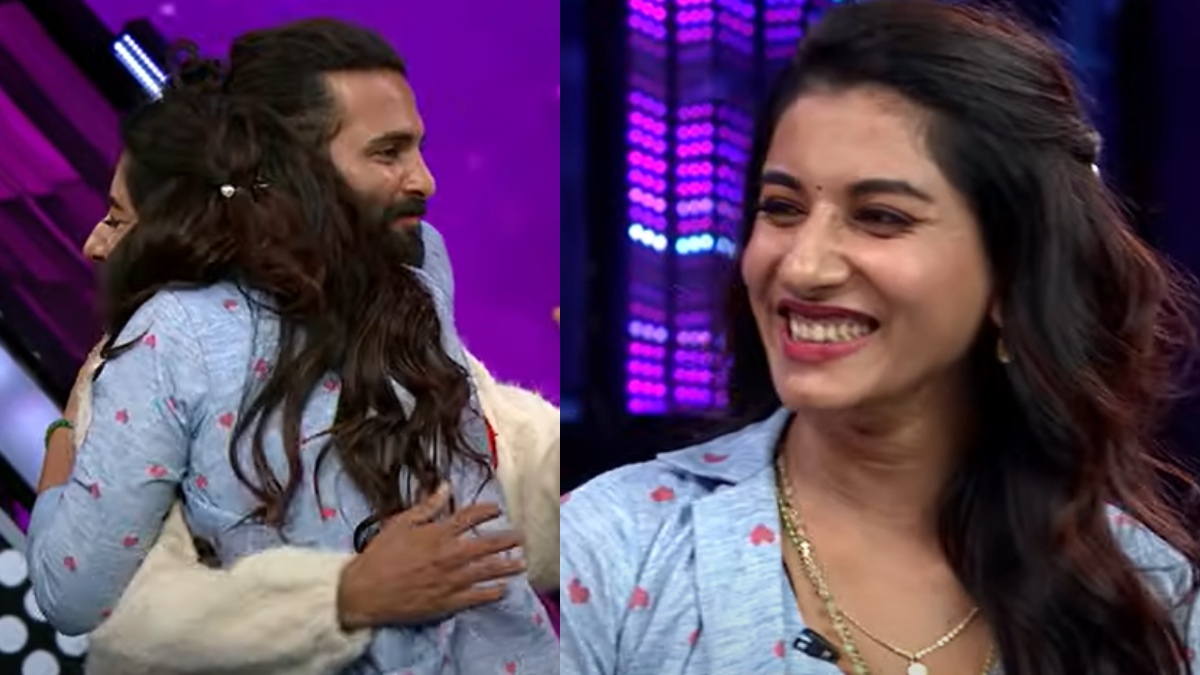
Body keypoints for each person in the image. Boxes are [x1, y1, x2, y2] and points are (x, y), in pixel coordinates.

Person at [560, 2, 1200, 674]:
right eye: (781, 208)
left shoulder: (1146, 597)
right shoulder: (614, 549)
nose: (802, 267)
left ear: (1014, 273)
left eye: (880, 217)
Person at [39, 19, 560, 675]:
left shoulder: (417, 266)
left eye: (416, 148)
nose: (425, 180)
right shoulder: (177, 338)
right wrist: (343, 596)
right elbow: (84, 597)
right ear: (290, 170)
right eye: (388, 152)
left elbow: (485, 477)